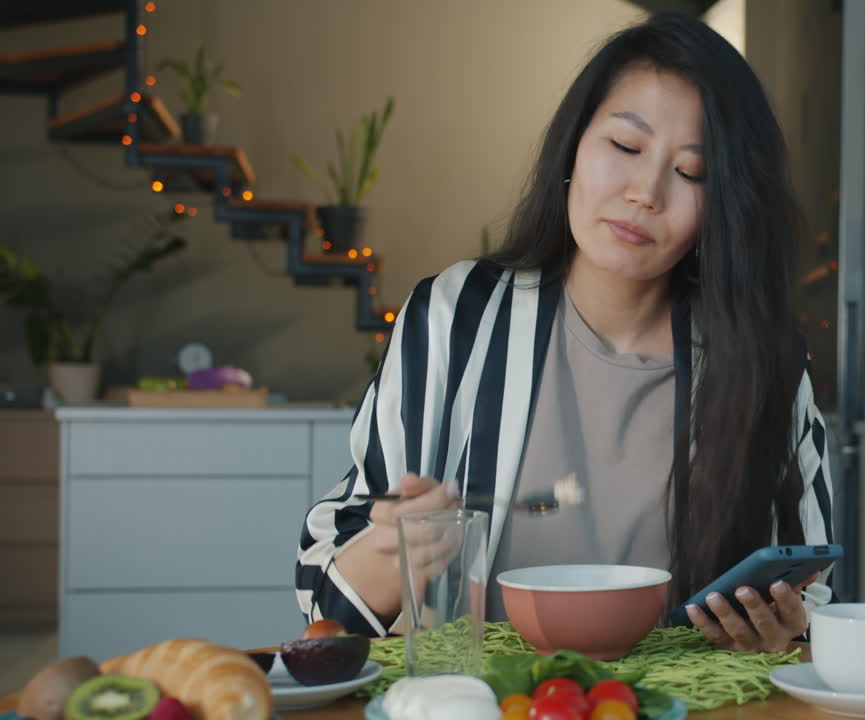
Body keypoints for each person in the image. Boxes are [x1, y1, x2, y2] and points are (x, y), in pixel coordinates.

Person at [296, 12, 834, 654]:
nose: (646, 193)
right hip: (481, 696)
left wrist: (786, 635)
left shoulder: (762, 358)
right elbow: (324, 597)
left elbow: (815, 602)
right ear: (573, 147)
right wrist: (393, 552)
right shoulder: (458, 314)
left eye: (692, 173)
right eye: (626, 147)